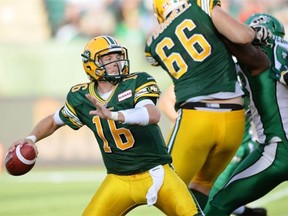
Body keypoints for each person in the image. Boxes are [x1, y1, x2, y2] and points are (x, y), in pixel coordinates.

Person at [8, 35, 203, 216]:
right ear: (92, 65)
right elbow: (53, 120)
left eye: (118, 56)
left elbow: (153, 114)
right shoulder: (81, 96)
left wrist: (114, 115)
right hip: (119, 179)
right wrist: (31, 138)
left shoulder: (137, 81)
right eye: (108, 58)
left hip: (157, 172)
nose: (116, 62)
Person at [145, 0, 270, 209]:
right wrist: (255, 32)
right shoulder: (201, 5)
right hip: (234, 120)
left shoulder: (151, 44)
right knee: (203, 185)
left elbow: (161, 60)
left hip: (196, 116)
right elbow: (243, 36)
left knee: (162, 190)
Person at [204, 13, 288, 216]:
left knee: (219, 204)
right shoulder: (280, 48)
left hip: (278, 149)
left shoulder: (263, 51)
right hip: (274, 146)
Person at [158, 85, 267, 216]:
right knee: (176, 190)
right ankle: (245, 212)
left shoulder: (241, 73)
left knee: (208, 194)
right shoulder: (209, 71)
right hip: (199, 140)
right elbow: (166, 102)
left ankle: (245, 212)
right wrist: (188, 126)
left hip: (234, 145)